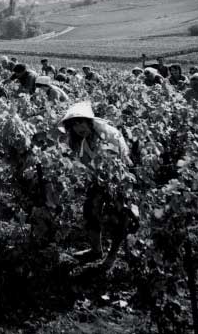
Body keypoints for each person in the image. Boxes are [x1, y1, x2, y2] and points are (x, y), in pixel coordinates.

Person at [59, 101, 136, 268]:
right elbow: (85, 163)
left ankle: (112, 257)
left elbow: (121, 162)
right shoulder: (81, 140)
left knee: (119, 216)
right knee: (89, 209)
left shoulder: (109, 134)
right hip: (99, 177)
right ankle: (96, 250)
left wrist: (109, 182)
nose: (79, 127)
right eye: (74, 124)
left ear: (89, 121)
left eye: (81, 122)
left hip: (119, 177)